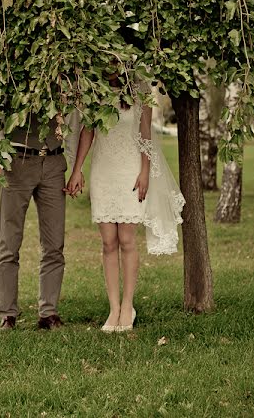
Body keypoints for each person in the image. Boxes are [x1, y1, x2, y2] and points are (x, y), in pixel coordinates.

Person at [65, 73, 184, 332]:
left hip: (130, 170)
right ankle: (114, 308)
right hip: (103, 170)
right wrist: (77, 170)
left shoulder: (140, 92)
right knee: (108, 242)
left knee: (127, 240)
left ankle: (128, 306)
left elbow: (145, 135)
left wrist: (144, 171)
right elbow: (88, 132)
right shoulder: (93, 89)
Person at [0, 113, 81, 331]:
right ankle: (7, 314)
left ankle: (49, 313)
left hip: (53, 163)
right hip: (18, 161)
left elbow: (73, 119)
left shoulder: (65, 81)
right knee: (9, 242)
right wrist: (2, 154)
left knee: (54, 243)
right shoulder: (15, 79)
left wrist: (68, 162)